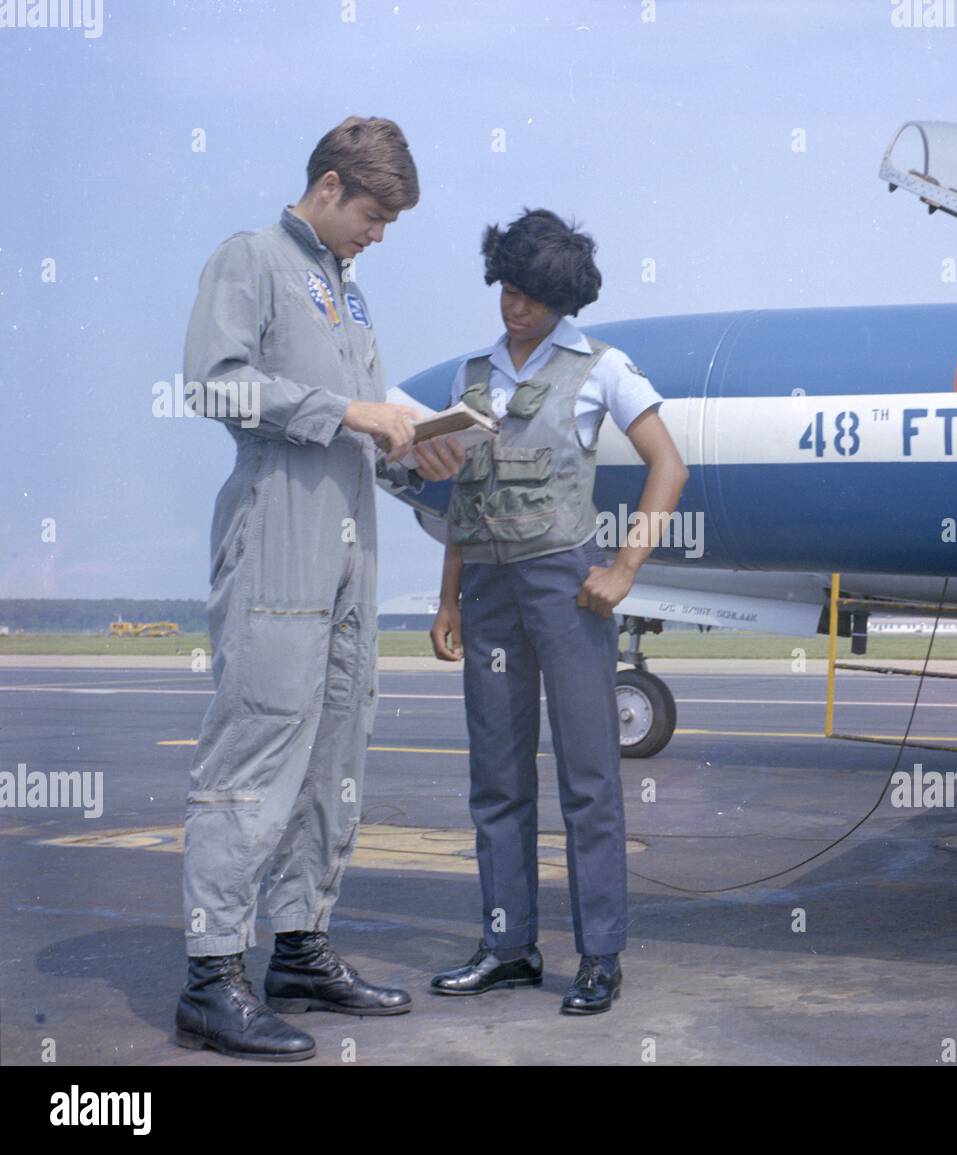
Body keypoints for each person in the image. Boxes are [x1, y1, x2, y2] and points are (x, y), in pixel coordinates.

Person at [176, 117, 429, 1061]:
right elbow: (215, 384)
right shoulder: (251, 260)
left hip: (350, 557)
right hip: (278, 539)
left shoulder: (349, 295)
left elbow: (365, 423)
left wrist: (413, 444)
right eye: (371, 214)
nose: (378, 233)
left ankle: (300, 946)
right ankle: (211, 975)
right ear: (327, 187)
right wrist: (342, 410)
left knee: (334, 752)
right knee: (255, 752)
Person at [418, 208, 688, 1015]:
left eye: (534, 294)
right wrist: (447, 598)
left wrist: (627, 566)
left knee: (588, 779)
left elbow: (667, 465)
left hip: (565, 589)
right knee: (495, 780)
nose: (516, 306)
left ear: (563, 298)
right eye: (507, 286)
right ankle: (508, 945)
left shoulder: (603, 368)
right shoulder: (472, 375)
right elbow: (465, 495)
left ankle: (600, 954)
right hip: (489, 596)